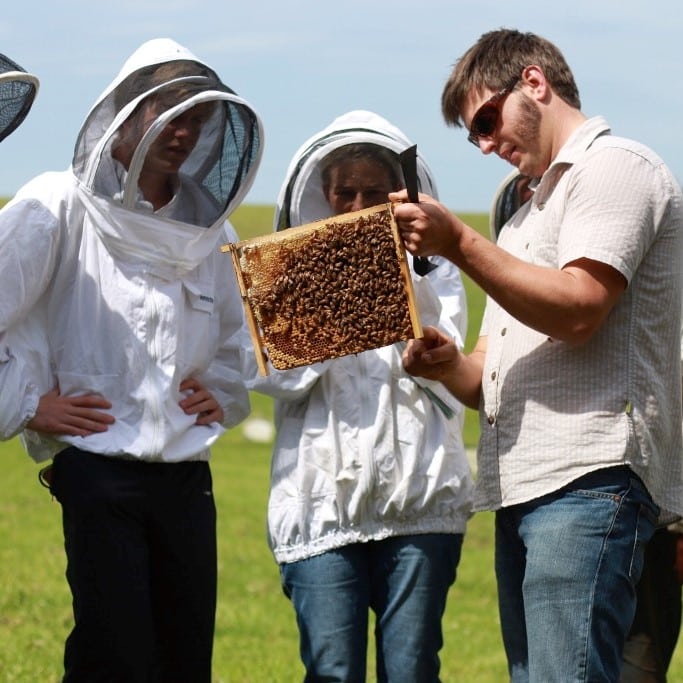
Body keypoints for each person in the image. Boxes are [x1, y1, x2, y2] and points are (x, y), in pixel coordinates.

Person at [393, 28, 683, 683]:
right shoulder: (520, 221)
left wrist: (461, 244)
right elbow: (486, 376)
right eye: (473, 137)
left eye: (487, 121)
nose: (487, 144)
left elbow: (579, 306)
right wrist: (447, 366)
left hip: (588, 480)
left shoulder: (614, 168)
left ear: (533, 83)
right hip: (527, 489)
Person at [0, 38, 263, 682]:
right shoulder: (55, 205)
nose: (183, 133)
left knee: (183, 657)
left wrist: (222, 394)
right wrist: (29, 404)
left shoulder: (212, 233)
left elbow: (236, 343)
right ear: (125, 115)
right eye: (168, 115)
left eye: (196, 121)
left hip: (185, 479)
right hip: (97, 472)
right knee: (114, 656)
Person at [247, 110, 474, 682]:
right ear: (323, 193)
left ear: (399, 193)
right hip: (320, 505)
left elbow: (445, 363)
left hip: (420, 502)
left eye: (373, 193)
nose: (356, 205)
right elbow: (274, 378)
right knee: (332, 671)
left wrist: (417, 323)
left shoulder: (438, 268)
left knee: (412, 670)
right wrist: (335, 304)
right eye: (344, 192)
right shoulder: (290, 273)